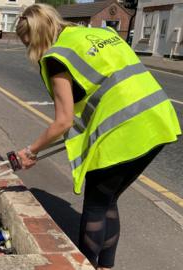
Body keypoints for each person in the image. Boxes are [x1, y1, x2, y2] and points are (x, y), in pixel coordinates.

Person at [14, 4, 181, 270]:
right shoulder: (97, 34)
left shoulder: (57, 57)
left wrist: (30, 151)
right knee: (107, 199)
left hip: (125, 129)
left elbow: (63, 121)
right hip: (158, 120)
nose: (29, 52)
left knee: (95, 205)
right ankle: (104, 267)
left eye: (28, 44)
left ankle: (86, 265)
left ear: (37, 38)